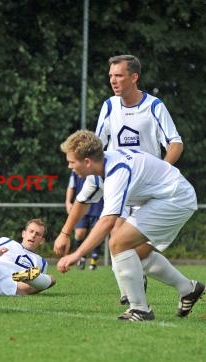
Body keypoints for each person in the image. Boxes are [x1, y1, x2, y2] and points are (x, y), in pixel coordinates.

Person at [55, 54, 184, 304]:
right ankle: (131, 293)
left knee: (135, 249)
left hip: (148, 187)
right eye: (111, 76)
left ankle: (160, 288)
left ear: (134, 77)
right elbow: (97, 143)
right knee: (116, 235)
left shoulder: (154, 106)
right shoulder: (110, 106)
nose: (113, 80)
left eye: (119, 75)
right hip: (120, 182)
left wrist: (163, 170)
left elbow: (175, 143)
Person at [57, 130, 203, 321]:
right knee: (136, 254)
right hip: (163, 198)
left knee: (118, 242)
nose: (69, 166)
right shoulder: (97, 171)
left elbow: (107, 222)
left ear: (86, 162)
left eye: (71, 162)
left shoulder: (117, 171)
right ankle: (188, 289)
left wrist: (76, 255)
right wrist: (65, 233)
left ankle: (140, 309)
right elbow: (82, 201)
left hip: (176, 199)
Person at [65, 171, 103, 270]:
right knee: (79, 233)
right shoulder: (75, 170)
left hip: (98, 207)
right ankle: (81, 257)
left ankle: (94, 260)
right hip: (81, 207)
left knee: (96, 233)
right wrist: (68, 202)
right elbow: (71, 186)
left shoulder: (99, 169)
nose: (70, 165)